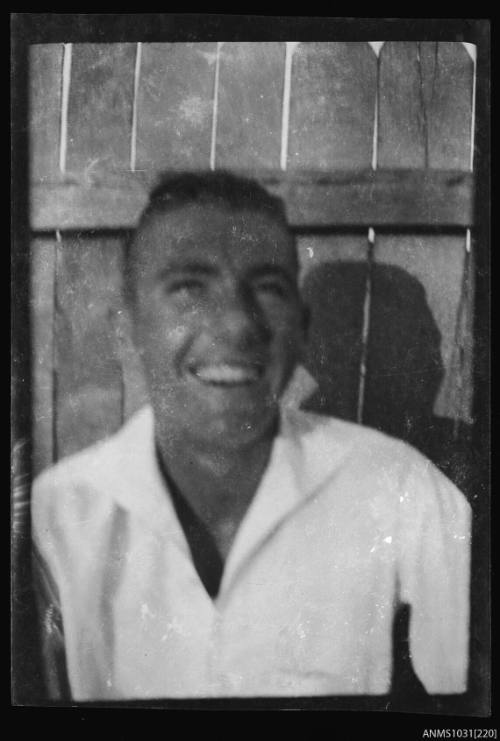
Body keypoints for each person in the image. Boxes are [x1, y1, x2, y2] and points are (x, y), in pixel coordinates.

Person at [31, 171, 471, 701]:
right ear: (127, 327)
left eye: (267, 287)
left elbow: (468, 718)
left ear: (302, 330)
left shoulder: (405, 492)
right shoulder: (56, 516)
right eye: (189, 287)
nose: (237, 324)